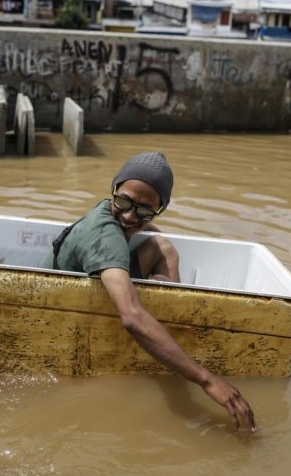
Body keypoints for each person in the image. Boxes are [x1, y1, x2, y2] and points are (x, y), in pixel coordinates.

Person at [41, 151, 256, 432]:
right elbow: (130, 317)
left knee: (161, 246)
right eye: (124, 202)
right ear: (113, 189)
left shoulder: (108, 209)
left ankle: (166, 332)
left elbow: (140, 224)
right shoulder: (107, 238)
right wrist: (207, 380)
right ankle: (172, 348)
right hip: (59, 312)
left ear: (159, 210)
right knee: (141, 305)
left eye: (144, 211)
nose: (130, 216)